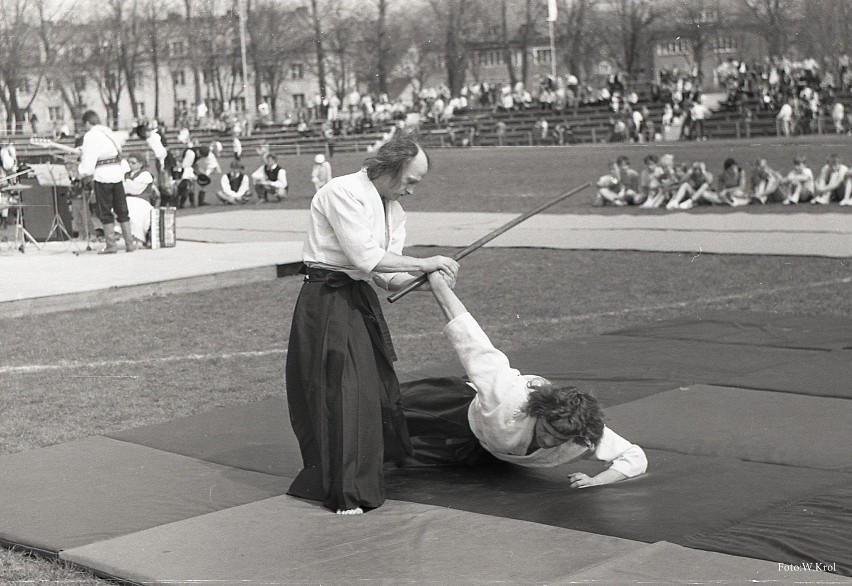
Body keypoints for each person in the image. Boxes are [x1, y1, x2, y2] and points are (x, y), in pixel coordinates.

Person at [285, 133, 460, 515]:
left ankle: (360, 476)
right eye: (411, 180)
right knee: (342, 393)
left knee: (372, 391)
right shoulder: (341, 191)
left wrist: (428, 280)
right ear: (392, 167)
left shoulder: (394, 210)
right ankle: (345, 491)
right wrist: (423, 262)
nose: (413, 190)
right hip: (325, 299)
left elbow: (387, 276)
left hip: (357, 298)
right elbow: (366, 257)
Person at [399, 270, 647, 488]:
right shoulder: (509, 395)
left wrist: (597, 480)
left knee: (401, 461)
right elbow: (472, 340)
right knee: (381, 406)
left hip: (483, 447)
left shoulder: (583, 436)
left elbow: (634, 457)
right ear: (537, 412)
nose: (550, 441)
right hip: (460, 403)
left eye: (560, 439)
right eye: (547, 430)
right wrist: (439, 285)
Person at [77, 110, 134, 253]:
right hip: (116, 173)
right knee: (122, 209)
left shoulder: (90, 135)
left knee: (105, 210)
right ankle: (130, 243)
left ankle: (111, 245)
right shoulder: (107, 132)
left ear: (87, 123)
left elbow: (89, 160)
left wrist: (82, 170)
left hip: (103, 175)